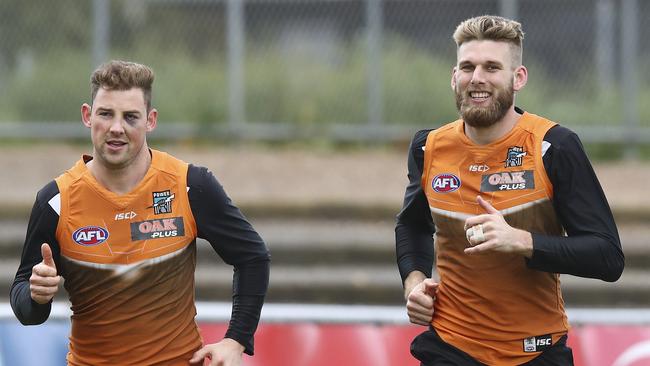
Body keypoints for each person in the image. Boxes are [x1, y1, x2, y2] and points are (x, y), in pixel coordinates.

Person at [395, 15, 624, 366]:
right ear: (454, 77)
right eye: (467, 67)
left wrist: (521, 241)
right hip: (451, 347)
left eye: (492, 67)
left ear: (518, 78)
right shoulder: (428, 147)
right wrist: (415, 283)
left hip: (536, 350)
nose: (477, 78)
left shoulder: (554, 146)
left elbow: (607, 257)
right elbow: (412, 224)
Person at [10, 60, 271, 366]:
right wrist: (36, 296)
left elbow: (252, 257)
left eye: (130, 117)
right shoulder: (56, 202)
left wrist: (236, 339)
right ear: (87, 116)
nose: (116, 128)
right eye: (105, 114)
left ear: (150, 120)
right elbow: (26, 305)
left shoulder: (189, 185)